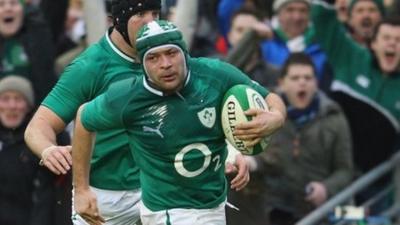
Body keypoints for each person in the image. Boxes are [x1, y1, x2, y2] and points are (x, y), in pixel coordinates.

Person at [72, 20, 286, 225]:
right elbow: (84, 118)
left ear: (184, 52)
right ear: (142, 64)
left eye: (171, 53)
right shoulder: (128, 97)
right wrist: (81, 189)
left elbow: (269, 97)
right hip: (169, 211)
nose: (165, 64)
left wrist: (276, 117)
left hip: (212, 203)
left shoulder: (215, 74)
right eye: (153, 58)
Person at [24, 0, 161, 224]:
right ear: (118, 20)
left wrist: (234, 148)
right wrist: (49, 150)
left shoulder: (167, 55)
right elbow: (37, 127)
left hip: (160, 186)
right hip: (105, 196)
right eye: (140, 14)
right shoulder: (90, 67)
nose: (151, 23)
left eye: (156, 13)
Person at [242, 53, 353, 225]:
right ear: (282, 83)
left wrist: (326, 188)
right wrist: (251, 162)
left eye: (308, 77)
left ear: (316, 83)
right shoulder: (264, 114)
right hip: (271, 209)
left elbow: (345, 170)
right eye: (295, 78)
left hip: (314, 212)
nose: (302, 82)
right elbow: (258, 154)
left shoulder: (334, 117)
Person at [312, 0, 400, 213]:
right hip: (326, 172)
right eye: (387, 38)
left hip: (373, 186)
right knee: (321, 217)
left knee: (360, 219)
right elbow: (322, 17)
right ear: (374, 43)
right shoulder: (349, 56)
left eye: (399, 40)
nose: (392, 44)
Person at [0, 75, 57, 225]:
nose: (12, 106)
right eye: (5, 99)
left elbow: (46, 196)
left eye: (19, 99)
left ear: (29, 106)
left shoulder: (40, 143)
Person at [0, 0, 57, 105]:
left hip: (40, 114)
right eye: (1, 4)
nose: (8, 8)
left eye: (13, 3)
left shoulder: (40, 35)